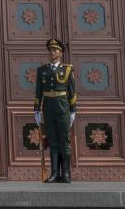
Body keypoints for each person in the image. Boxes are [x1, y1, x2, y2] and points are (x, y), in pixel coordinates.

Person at [35, 38, 77, 183]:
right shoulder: (42, 70)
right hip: (48, 108)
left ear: (60, 53)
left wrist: (73, 111)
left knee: (64, 141)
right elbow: (38, 91)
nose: (52, 52)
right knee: (52, 141)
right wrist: (36, 109)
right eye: (50, 50)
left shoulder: (67, 69)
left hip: (62, 107)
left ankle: (65, 173)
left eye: (55, 50)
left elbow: (72, 91)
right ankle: (54, 173)